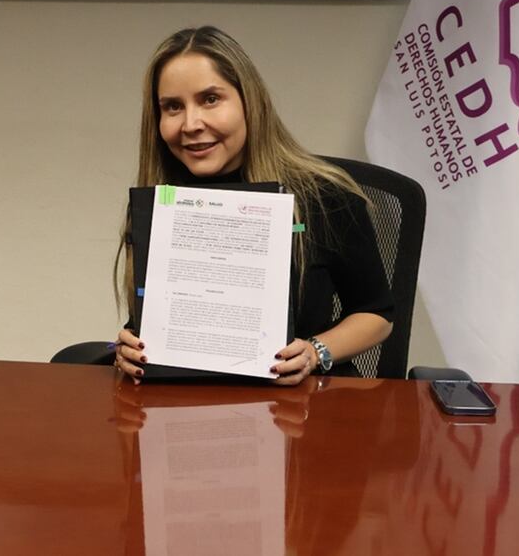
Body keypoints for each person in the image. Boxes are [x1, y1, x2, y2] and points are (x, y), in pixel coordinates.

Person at [113, 27, 393, 385]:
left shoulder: (326, 197)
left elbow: (377, 314)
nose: (191, 124)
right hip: (176, 406)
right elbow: (155, 319)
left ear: (250, 102)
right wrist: (129, 346)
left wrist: (314, 352)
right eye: (173, 106)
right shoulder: (160, 205)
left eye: (210, 99)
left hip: (295, 405)